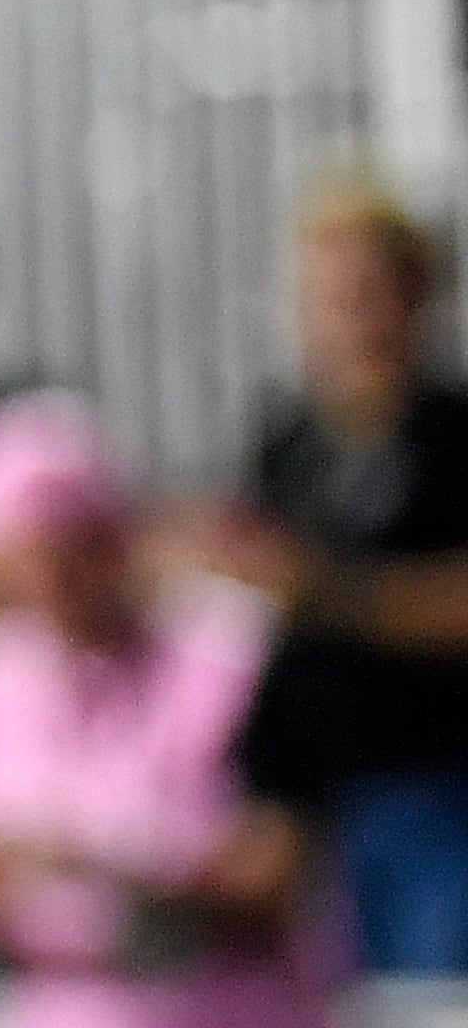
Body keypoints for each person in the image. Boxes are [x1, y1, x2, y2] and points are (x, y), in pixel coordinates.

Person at [0, 393, 321, 1028]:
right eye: (15, 563)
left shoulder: (237, 651)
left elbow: (275, 875)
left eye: (63, 553)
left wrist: (106, 864)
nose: (42, 584)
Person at [228, 184, 468, 974]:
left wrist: (333, 592)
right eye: (327, 299)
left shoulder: (451, 436)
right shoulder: (288, 443)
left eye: (366, 294)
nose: (346, 319)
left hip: (432, 797)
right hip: (306, 808)